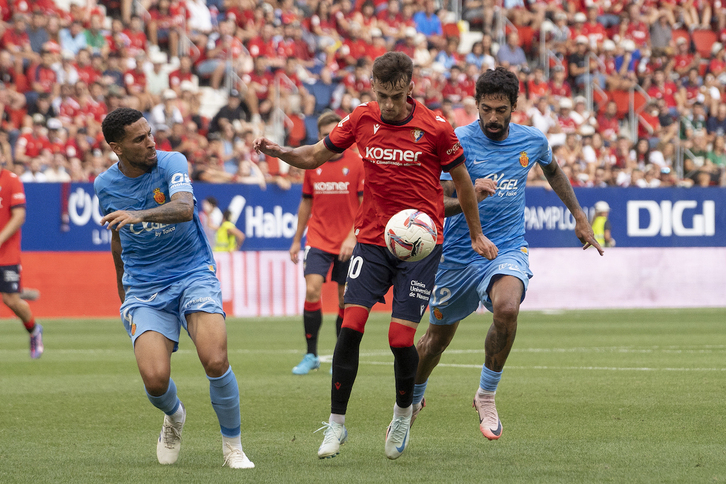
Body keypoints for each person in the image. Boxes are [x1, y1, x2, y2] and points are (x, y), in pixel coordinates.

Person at [254, 52, 497, 460]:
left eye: (395, 96)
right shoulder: (361, 119)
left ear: (410, 88)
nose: (387, 104)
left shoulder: (437, 129)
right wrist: (281, 153)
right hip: (372, 239)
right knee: (350, 326)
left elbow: (462, 183)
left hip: (421, 246)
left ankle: (403, 413)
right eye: (381, 95)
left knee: (400, 338)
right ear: (373, 88)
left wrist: (475, 233)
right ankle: (336, 425)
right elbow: (316, 154)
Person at [411, 67, 604, 441]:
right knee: (435, 341)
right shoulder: (456, 141)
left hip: (507, 248)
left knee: (507, 308)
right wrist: (468, 193)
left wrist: (579, 216)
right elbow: (434, 197)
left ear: (514, 106)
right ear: (476, 106)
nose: (493, 118)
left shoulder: (531, 141)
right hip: (458, 252)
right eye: (486, 109)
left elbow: (554, 171)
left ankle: (486, 394)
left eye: (501, 110)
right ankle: (411, 403)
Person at [94, 108, 254, 469]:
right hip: (143, 285)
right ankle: (174, 415)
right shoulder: (104, 185)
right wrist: (125, 294)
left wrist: (140, 215)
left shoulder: (171, 162)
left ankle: (233, 447)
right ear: (116, 147)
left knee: (215, 358)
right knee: (154, 380)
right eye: (139, 139)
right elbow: (117, 239)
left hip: (192, 272)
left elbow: (183, 208)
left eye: (150, 133)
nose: (151, 142)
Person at [288, 111, 364, 376]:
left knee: (344, 299)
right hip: (318, 238)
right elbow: (306, 202)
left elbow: (366, 204)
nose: (329, 139)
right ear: (318, 137)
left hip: (348, 240)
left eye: (334, 133)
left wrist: (353, 236)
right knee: (312, 290)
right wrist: (297, 239)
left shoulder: (357, 162)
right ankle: (311, 355)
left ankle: (339, 357)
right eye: (324, 135)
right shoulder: (313, 164)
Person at [0, 159, 43, 358]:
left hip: (6, 253)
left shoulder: (11, 180)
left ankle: (34, 330)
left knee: (11, 300)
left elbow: (18, 216)